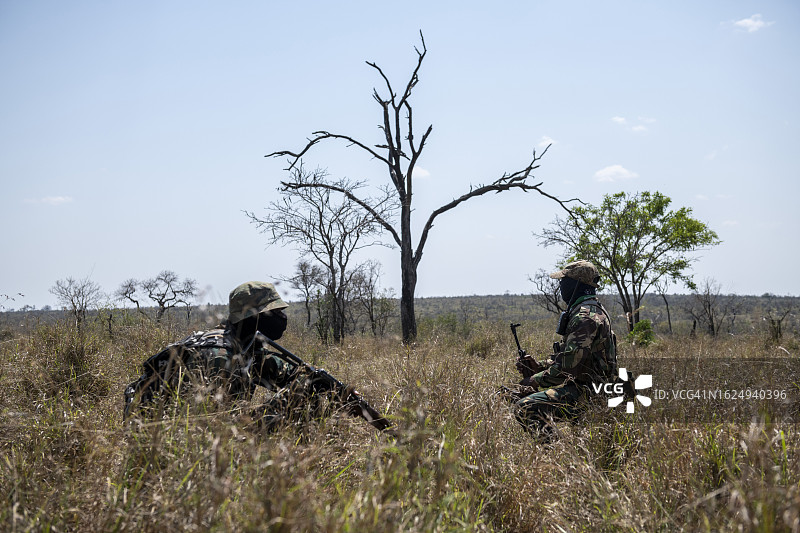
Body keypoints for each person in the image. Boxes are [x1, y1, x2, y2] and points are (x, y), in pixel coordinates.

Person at [124, 281, 298, 423]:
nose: (282, 317)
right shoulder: (220, 356)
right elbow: (215, 430)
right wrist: (274, 410)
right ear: (253, 317)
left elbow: (286, 373)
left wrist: (306, 382)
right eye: (275, 312)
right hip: (158, 439)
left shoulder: (246, 345)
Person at [513, 260, 617, 440]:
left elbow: (568, 367)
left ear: (576, 284)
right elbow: (572, 357)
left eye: (564, 281)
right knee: (515, 395)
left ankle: (556, 454)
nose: (561, 285)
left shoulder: (585, 317)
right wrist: (540, 366)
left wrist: (534, 380)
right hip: (590, 387)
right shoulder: (590, 309)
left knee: (525, 406)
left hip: (591, 392)